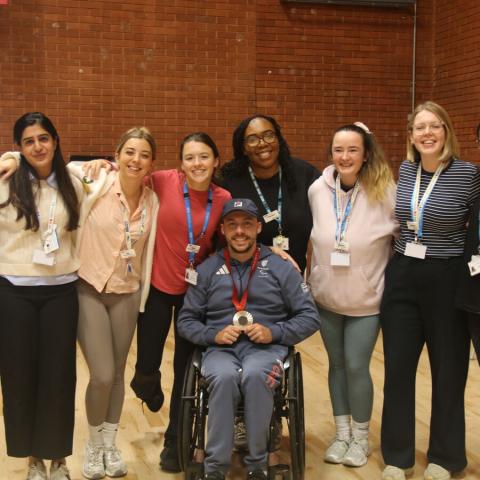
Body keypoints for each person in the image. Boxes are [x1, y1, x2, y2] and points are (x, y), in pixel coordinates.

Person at [177, 198, 320, 480]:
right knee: (223, 377)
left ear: (257, 227)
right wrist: (212, 334)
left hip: (266, 350)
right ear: (222, 230)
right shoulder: (206, 270)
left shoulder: (280, 267)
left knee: (256, 375)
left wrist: (274, 332)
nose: (239, 231)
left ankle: (257, 464)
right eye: (232, 225)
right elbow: (186, 320)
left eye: (246, 224)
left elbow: (310, 316)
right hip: (221, 350)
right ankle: (215, 468)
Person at [380, 101, 480, 480]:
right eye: (420, 128)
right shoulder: (405, 170)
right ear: (411, 136)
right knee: (398, 369)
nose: (427, 133)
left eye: (434, 126)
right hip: (404, 274)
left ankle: (446, 457)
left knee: (449, 369)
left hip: (448, 275)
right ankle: (397, 456)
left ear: (446, 131)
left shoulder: (469, 174)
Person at [129, 132, 231, 473]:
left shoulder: (223, 197)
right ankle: (146, 386)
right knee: (146, 368)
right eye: (190, 157)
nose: (197, 164)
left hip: (194, 294)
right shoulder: (162, 181)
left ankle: (176, 439)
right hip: (158, 288)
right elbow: (125, 171)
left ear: (216, 161)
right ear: (181, 163)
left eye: (204, 157)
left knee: (185, 372)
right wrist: (100, 164)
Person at [308, 122, 397, 467]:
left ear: (365, 154)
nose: (344, 156)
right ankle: (341, 433)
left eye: (352, 150)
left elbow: (401, 238)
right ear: (331, 153)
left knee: (358, 366)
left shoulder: (383, 190)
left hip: (366, 301)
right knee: (336, 365)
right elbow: (315, 240)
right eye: (338, 149)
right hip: (327, 298)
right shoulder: (318, 189)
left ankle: (361, 439)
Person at [0, 112, 82, 480]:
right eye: (29, 141)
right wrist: (6, 159)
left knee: (58, 378)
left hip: (61, 291)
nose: (38, 146)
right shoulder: (4, 182)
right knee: (19, 377)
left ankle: (58, 458)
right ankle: (33, 457)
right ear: (19, 146)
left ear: (56, 141)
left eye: (44, 138)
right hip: (13, 291)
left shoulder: (74, 184)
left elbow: (113, 171)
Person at [75, 127, 158, 479]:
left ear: (151, 162)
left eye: (143, 154)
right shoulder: (94, 181)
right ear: (116, 155)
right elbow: (50, 164)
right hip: (89, 287)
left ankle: (110, 445)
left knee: (119, 374)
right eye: (129, 152)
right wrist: (10, 158)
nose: (135, 160)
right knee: (102, 374)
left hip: (127, 291)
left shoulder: (153, 200)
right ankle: (93, 445)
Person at [220, 114, 320, 273]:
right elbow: (221, 238)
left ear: (278, 139)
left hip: (294, 280)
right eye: (252, 139)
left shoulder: (304, 174)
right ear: (243, 148)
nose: (262, 144)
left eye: (268, 135)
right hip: (247, 280)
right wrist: (265, 252)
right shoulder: (229, 183)